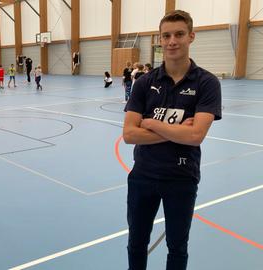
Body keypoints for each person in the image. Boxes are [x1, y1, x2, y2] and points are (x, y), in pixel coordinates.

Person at [123, 10, 221, 270]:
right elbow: (129, 134)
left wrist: (153, 123)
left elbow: (195, 135)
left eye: (178, 34)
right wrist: (176, 130)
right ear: (159, 39)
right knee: (136, 242)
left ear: (191, 36)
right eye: (166, 35)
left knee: (177, 247)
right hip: (143, 176)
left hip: (182, 178)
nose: (172, 41)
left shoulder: (207, 83)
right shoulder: (145, 83)